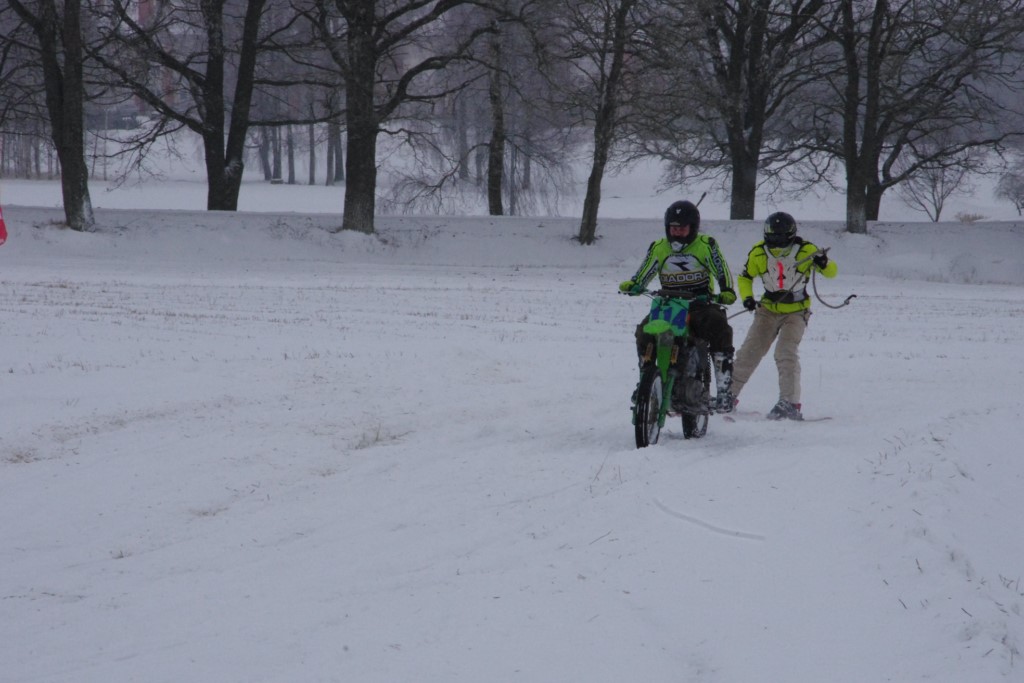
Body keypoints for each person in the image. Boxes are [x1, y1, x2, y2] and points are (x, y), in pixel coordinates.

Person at [619, 200, 737, 412]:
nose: (677, 233)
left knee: (719, 328)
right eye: (673, 228)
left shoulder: (706, 245)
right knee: (644, 332)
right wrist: (635, 285)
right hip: (668, 304)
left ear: (693, 228)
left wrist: (727, 291)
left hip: (700, 303)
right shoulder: (659, 248)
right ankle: (646, 380)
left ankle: (724, 390)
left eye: (682, 229)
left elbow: (722, 271)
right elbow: (644, 272)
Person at [731, 211, 838, 420]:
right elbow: (745, 277)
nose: (775, 242)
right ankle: (728, 395)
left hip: (796, 312)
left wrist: (824, 262)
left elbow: (831, 272)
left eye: (779, 236)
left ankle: (789, 402)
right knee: (749, 352)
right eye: (772, 236)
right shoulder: (758, 253)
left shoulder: (807, 250)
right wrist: (747, 298)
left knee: (785, 352)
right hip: (767, 310)